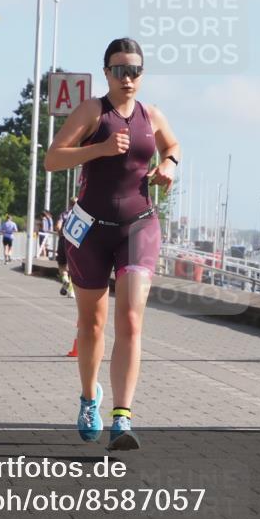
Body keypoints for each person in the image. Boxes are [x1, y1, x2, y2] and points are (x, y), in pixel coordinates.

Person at [44, 37, 180, 451]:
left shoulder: (150, 115)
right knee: (93, 324)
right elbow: (53, 158)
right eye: (120, 70)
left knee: (132, 320)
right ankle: (90, 399)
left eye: (135, 70)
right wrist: (99, 148)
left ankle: (123, 417)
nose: (128, 78)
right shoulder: (92, 111)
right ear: (106, 73)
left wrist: (169, 164)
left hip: (138, 226)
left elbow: (172, 145)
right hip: (92, 229)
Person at [55, 198, 77, 296]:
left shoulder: (64, 214)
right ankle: (71, 291)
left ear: (69, 204)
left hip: (63, 240)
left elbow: (58, 226)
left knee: (62, 264)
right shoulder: (80, 216)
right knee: (74, 267)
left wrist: (60, 233)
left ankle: (65, 280)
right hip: (75, 242)